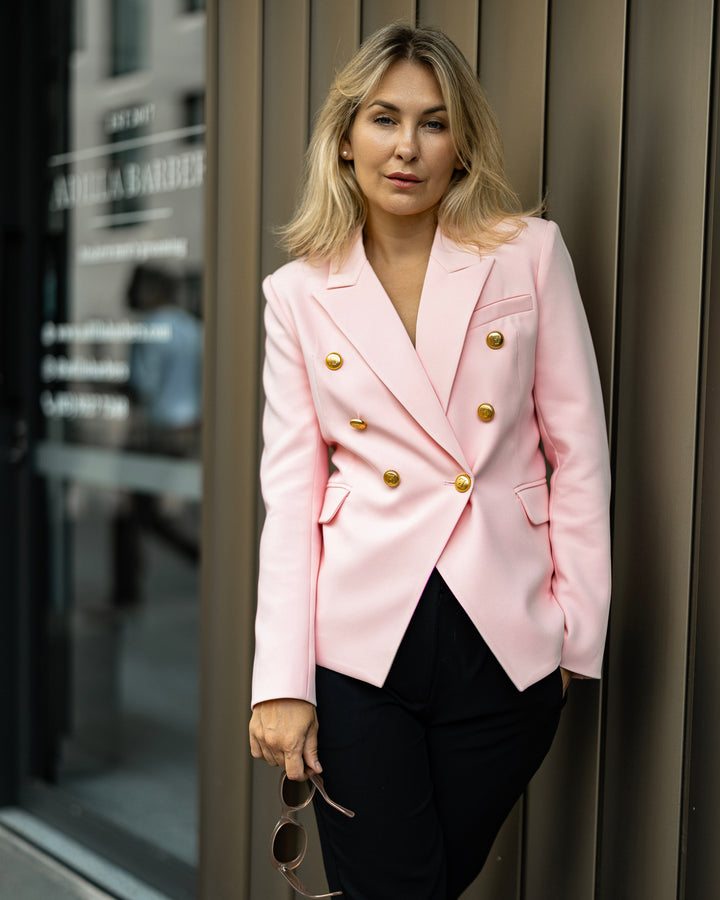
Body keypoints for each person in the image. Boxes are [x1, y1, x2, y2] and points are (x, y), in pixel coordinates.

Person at [249, 22, 611, 900]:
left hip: (510, 636)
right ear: (345, 137)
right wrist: (280, 682)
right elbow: (291, 496)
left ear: (461, 145)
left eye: (434, 123)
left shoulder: (528, 252)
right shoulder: (298, 296)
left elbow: (580, 450)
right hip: (360, 648)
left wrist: (576, 630)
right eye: (383, 118)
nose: (406, 147)